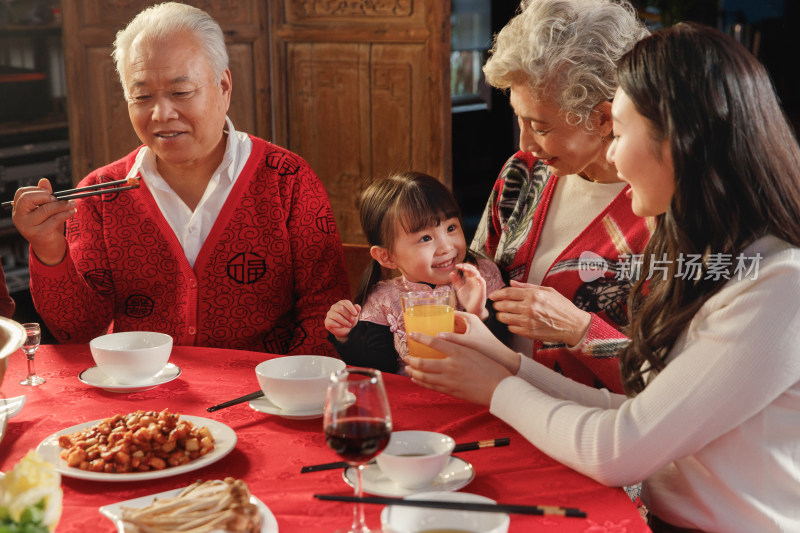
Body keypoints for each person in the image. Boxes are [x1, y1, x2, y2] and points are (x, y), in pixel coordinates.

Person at [407, 22, 800, 532]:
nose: (612, 154)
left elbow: (619, 447)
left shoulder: (777, 286)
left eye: (618, 132)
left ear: (677, 142)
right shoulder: (725, 263)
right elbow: (632, 411)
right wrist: (504, 362)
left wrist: (498, 387)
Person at [10, 2, 348, 355]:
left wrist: (289, 388)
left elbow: (323, 311)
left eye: (181, 92)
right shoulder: (100, 193)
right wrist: (49, 249)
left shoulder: (287, 179)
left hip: (264, 394)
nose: (161, 114)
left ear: (223, 86)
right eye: (141, 96)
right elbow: (77, 330)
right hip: (144, 399)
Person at [470, 0, 653, 393]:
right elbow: (473, 274)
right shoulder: (522, 174)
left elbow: (674, 384)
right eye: (519, 118)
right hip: (499, 405)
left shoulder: (662, 207)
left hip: (600, 433)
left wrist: (580, 330)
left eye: (540, 125)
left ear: (604, 118)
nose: (524, 141)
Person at [325, 172, 505, 374]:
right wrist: (345, 334)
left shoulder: (481, 277)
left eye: (451, 227)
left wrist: (477, 312)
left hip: (477, 393)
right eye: (426, 238)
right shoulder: (383, 299)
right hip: (414, 396)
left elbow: (505, 349)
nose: (446, 246)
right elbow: (380, 366)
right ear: (387, 257)